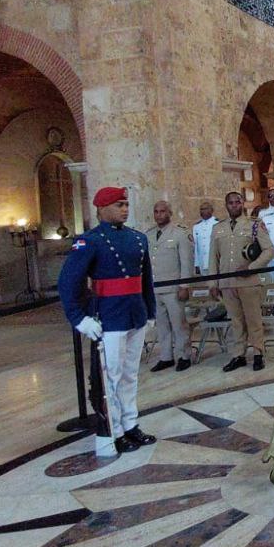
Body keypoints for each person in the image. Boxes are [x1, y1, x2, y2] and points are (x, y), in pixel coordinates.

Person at [57, 186, 157, 454]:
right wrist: (79, 319)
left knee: (130, 375)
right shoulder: (90, 241)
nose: (125, 209)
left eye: (126, 204)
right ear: (102, 209)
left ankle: (130, 422)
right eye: (119, 204)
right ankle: (115, 429)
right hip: (109, 316)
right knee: (110, 377)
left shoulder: (138, 239)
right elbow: (67, 282)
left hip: (135, 312)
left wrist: (150, 312)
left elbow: (145, 279)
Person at [209, 191, 274, 371]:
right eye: (230, 203)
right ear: (226, 205)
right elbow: (213, 258)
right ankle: (238, 355)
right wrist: (213, 283)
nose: (234, 205)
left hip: (249, 282)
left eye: (237, 202)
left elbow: (269, 250)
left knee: (253, 320)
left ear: (243, 204)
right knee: (236, 321)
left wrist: (251, 268)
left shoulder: (254, 225)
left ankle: (258, 353)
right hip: (227, 282)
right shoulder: (218, 228)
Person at [145, 200, 194, 372]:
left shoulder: (180, 233)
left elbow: (186, 261)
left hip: (174, 287)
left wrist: (184, 285)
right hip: (155, 287)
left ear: (169, 213)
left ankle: (184, 355)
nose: (159, 215)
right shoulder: (149, 235)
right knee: (162, 325)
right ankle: (166, 357)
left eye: (163, 211)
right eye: (156, 211)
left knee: (178, 324)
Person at [192, 200, 218, 274]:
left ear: (212, 210)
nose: (203, 211)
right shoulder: (196, 227)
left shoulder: (217, 224)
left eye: (206, 209)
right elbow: (196, 246)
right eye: (201, 209)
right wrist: (196, 264)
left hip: (214, 262)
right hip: (202, 262)